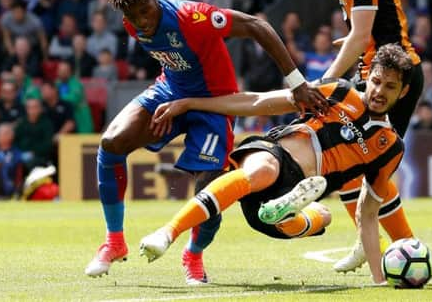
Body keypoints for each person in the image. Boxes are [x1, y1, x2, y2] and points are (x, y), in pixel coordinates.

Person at [84, 0, 328, 283]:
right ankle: (114, 242)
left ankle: (193, 255)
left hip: (215, 103)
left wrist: (296, 83)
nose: (141, 21)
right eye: (133, 15)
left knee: (209, 187)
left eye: (145, 11)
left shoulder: (193, 17)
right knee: (111, 144)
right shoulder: (131, 22)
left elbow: (257, 25)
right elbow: (173, 58)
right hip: (171, 91)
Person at [139, 43, 413, 285]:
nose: (379, 91)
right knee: (264, 170)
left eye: (390, 86)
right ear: (367, 77)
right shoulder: (337, 91)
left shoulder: (390, 148)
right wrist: (189, 103)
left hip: (279, 200)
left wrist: (379, 281)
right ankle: (167, 234)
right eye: (376, 81)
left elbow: (367, 214)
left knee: (323, 216)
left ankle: (285, 211)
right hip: (273, 154)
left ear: (403, 92)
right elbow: (258, 101)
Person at [312, 0, 423, 271]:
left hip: (394, 78)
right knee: (349, 157)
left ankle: (402, 244)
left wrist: (326, 81)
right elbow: (367, 31)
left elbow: (362, 37)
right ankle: (370, 239)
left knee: (369, 162)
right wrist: (357, 42)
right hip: (373, 71)